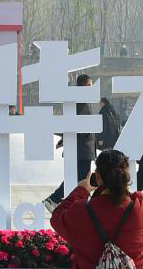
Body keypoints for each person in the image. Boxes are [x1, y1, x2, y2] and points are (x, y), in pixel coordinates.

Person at [45, 75, 122, 210]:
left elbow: (73, 124)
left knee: (79, 177)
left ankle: (66, 201)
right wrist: (66, 138)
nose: (92, 89)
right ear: (85, 87)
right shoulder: (81, 103)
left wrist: (64, 138)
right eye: (90, 85)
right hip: (82, 148)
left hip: (82, 147)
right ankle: (56, 199)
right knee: (81, 177)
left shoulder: (80, 102)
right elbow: (75, 125)